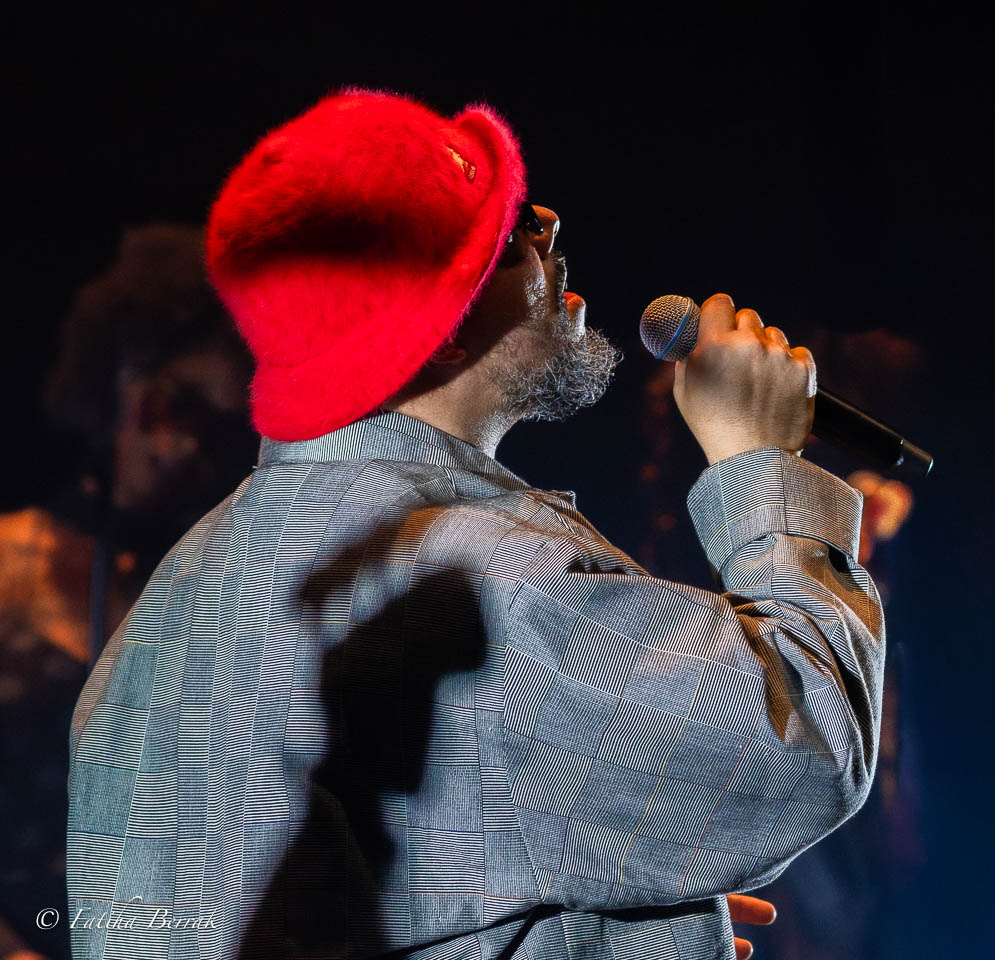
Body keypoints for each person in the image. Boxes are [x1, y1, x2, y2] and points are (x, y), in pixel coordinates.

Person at [66, 89, 886, 960]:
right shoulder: (473, 575)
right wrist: (760, 460)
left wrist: (606, 930)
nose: (551, 229)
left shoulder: (157, 623)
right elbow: (806, 746)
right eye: (513, 233)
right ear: (445, 330)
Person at [0, 223, 256, 960]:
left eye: (220, 426)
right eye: (176, 404)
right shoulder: (9, 561)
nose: (179, 443)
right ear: (120, 389)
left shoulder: (227, 593)